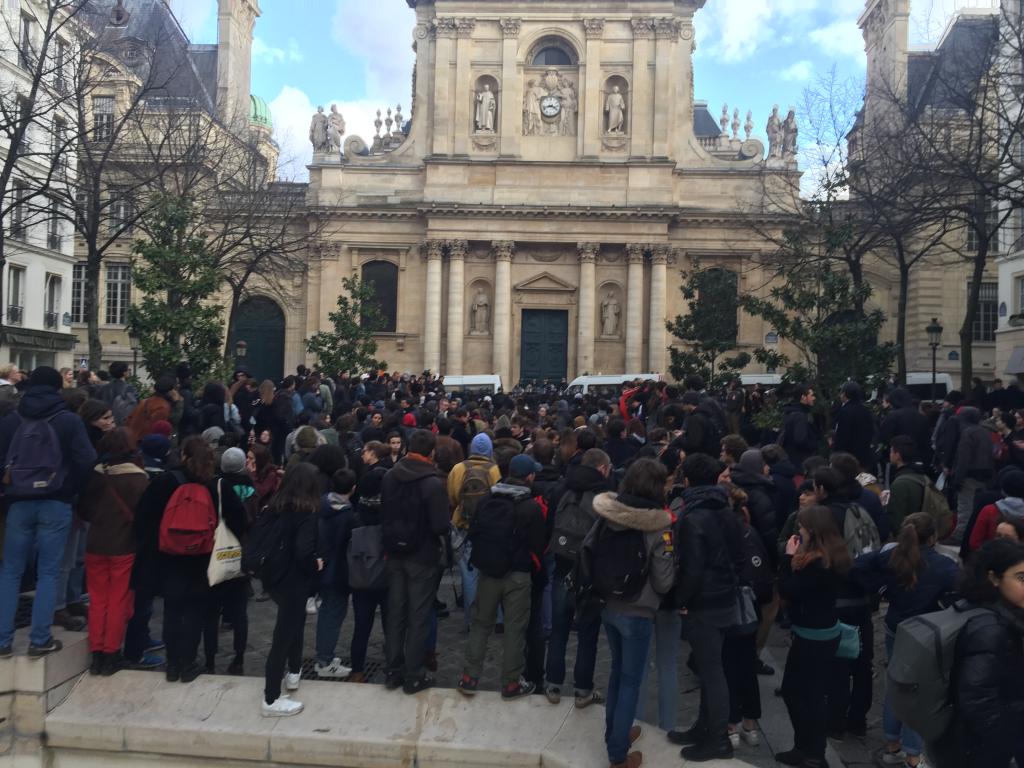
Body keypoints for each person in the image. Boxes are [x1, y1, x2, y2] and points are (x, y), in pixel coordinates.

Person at [0, 366, 97, 658]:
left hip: (17, 502)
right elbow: (86, 459)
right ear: (58, 389)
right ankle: (39, 638)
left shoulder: (12, 420)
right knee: (49, 572)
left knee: (10, 572)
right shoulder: (67, 420)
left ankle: (3, 641)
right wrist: (68, 489)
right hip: (56, 501)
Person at [853, 513, 959, 768]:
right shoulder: (943, 565)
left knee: (896, 681)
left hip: (896, 627)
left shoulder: (890, 557)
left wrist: (882, 589)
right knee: (920, 692)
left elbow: (857, 567)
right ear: (933, 537)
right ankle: (913, 753)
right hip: (925, 633)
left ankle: (893, 744)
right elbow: (959, 591)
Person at [589, 458, 675, 768]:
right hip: (638, 611)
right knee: (629, 681)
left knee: (616, 673)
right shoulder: (658, 524)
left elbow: (588, 550)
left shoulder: (607, 514)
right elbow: (664, 582)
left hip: (608, 604)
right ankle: (617, 754)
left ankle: (618, 732)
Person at [138, 437, 246, 683]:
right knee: (195, 611)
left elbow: (144, 517)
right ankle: (188, 663)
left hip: (169, 556)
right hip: (204, 557)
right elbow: (239, 520)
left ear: (183, 456)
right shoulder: (217, 485)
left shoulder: (166, 481)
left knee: (172, 609)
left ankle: (173, 664)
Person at [670, 453, 744, 762]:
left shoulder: (692, 517)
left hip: (705, 603)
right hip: (725, 597)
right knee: (709, 667)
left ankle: (718, 739)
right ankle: (704, 728)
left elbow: (692, 568)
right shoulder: (727, 511)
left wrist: (680, 600)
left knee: (711, 671)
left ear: (687, 481)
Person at [457, 453, 547, 699]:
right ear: (529, 476)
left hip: (488, 572)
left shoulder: (487, 500)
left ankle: (469, 677)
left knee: (480, 625)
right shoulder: (531, 507)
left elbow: (473, 530)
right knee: (515, 629)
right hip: (518, 575)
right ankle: (510, 683)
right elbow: (539, 545)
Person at [929, 538, 1024, 768]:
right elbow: (979, 700)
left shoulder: (986, 610)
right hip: (980, 749)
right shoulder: (991, 629)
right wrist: (1009, 743)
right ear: (993, 578)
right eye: (1021, 578)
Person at [776, 505, 851, 768]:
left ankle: (813, 752)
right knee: (805, 693)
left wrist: (787, 559)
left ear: (813, 530)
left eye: (803, 526)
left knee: (804, 694)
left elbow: (789, 589)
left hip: (814, 635)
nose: (799, 529)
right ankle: (806, 748)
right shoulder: (830, 555)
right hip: (820, 631)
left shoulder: (818, 564)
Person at [381, 429, 450, 694]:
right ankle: (413, 674)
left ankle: (393, 670)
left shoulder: (389, 476)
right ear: (431, 452)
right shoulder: (432, 484)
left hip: (395, 553)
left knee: (396, 613)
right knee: (418, 616)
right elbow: (440, 525)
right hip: (422, 556)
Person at [77, 428, 149, 675]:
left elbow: (84, 508)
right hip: (123, 545)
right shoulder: (138, 478)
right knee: (119, 601)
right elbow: (143, 516)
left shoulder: (96, 475)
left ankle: (97, 653)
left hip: (95, 543)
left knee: (98, 600)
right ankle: (111, 653)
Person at [545, 448, 611, 708]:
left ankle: (553, 684)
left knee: (559, 630)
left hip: (562, 564)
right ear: (603, 468)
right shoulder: (605, 495)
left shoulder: (562, 488)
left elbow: (550, 522)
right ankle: (583, 689)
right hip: (590, 571)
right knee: (587, 634)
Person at [260, 463, 322, 717]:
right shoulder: (307, 512)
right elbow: (303, 551)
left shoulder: (273, 506)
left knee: (293, 624)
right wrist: (315, 564)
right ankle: (271, 697)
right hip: (294, 580)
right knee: (284, 635)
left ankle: (294, 673)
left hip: (273, 577)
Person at [203, 447, 253, 675]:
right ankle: (239, 658)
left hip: (216, 551)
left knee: (211, 611)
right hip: (240, 552)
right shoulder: (251, 487)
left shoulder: (215, 485)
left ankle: (210, 659)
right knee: (240, 612)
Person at [447, 433, 501, 630]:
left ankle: (472, 618)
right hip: (487, 527)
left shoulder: (458, 468)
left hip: (463, 525)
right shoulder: (494, 469)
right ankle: (496, 617)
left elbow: (452, 497)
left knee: (468, 575)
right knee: (491, 572)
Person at [314, 468, 357, 679]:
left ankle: (324, 655)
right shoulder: (347, 515)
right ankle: (325, 660)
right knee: (333, 614)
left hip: (322, 568)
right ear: (353, 489)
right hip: (338, 572)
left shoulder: (321, 505)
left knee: (326, 612)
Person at [951, 406, 995, 544]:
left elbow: (963, 458)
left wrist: (957, 478)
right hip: (985, 474)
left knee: (965, 505)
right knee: (976, 506)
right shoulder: (985, 432)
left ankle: (960, 535)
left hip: (969, 475)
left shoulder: (967, 433)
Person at [778, 385, 819, 468]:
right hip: (801, 460)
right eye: (811, 395)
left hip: (793, 458)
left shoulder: (791, 412)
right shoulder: (800, 415)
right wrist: (813, 445)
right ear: (803, 397)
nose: (814, 398)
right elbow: (800, 439)